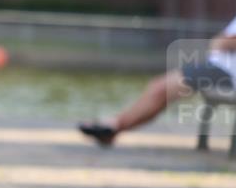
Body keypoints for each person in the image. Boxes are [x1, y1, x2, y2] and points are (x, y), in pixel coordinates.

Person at [79, 14, 236, 145]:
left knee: (160, 89)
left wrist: (221, 41)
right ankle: (115, 126)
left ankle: (114, 126)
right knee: (160, 90)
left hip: (225, 69)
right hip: (220, 66)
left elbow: (222, 43)